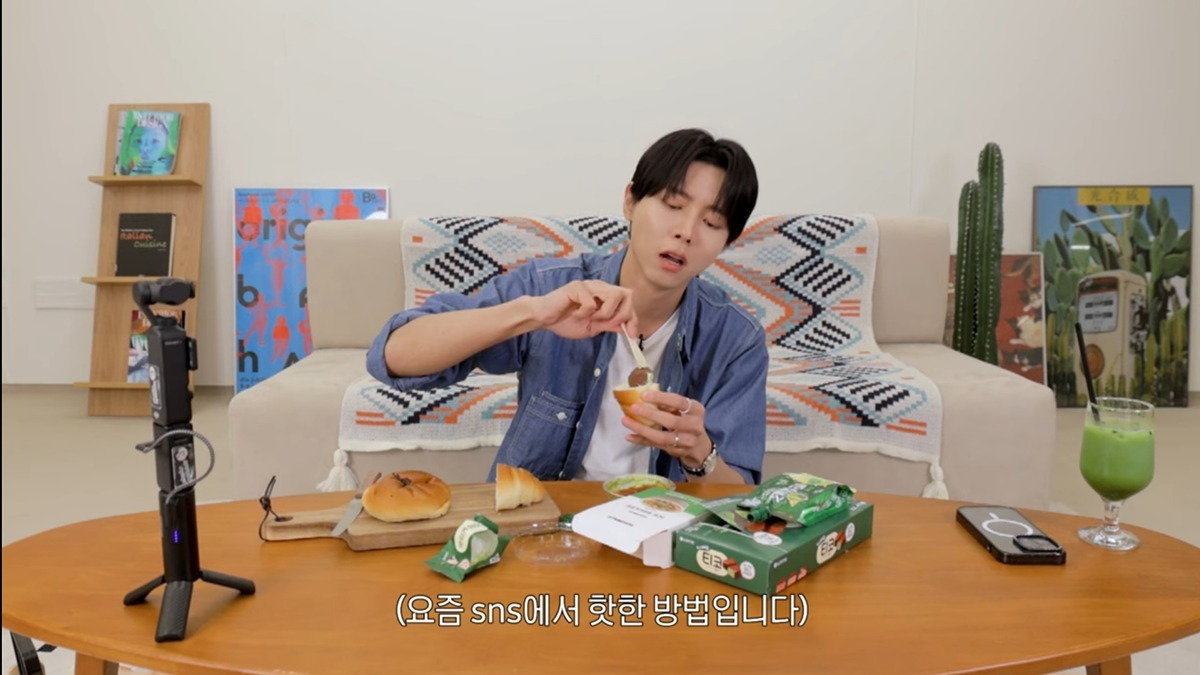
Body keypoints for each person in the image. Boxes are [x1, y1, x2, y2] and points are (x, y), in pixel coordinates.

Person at [366, 128, 767, 484]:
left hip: (664, 530)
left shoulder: (735, 340)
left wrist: (700, 454)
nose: (686, 232)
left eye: (711, 223)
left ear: (727, 241)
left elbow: (742, 497)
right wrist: (533, 314)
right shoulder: (552, 289)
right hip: (543, 523)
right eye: (673, 205)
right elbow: (392, 356)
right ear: (630, 201)